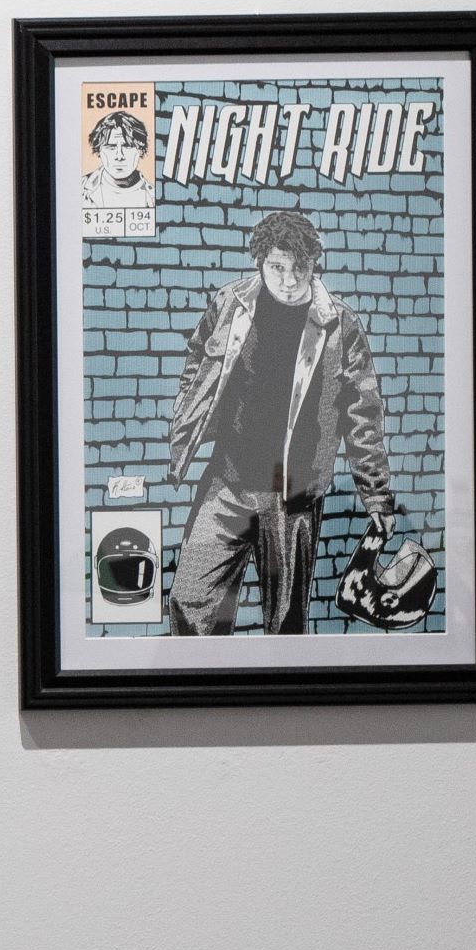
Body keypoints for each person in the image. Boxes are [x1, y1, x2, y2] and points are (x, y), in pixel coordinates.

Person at [164, 207, 408, 634]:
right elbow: (197, 360)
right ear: (260, 262)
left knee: (285, 623)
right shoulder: (230, 304)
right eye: (278, 267)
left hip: (293, 494)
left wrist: (376, 496)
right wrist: (186, 411)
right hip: (227, 483)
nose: (290, 279)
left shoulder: (340, 325)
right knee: (189, 602)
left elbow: (363, 418)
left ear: (314, 265)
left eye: (300, 268)